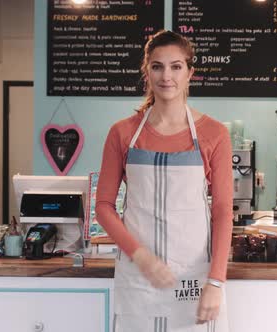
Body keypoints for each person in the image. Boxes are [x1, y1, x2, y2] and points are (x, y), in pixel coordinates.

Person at [96, 30, 233, 331]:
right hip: (138, 279)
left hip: (194, 280)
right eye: (157, 66)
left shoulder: (215, 134)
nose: (166, 76)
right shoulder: (122, 133)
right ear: (146, 71)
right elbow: (104, 207)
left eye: (176, 66)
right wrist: (141, 255)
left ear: (190, 72)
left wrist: (216, 280)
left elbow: (223, 211)